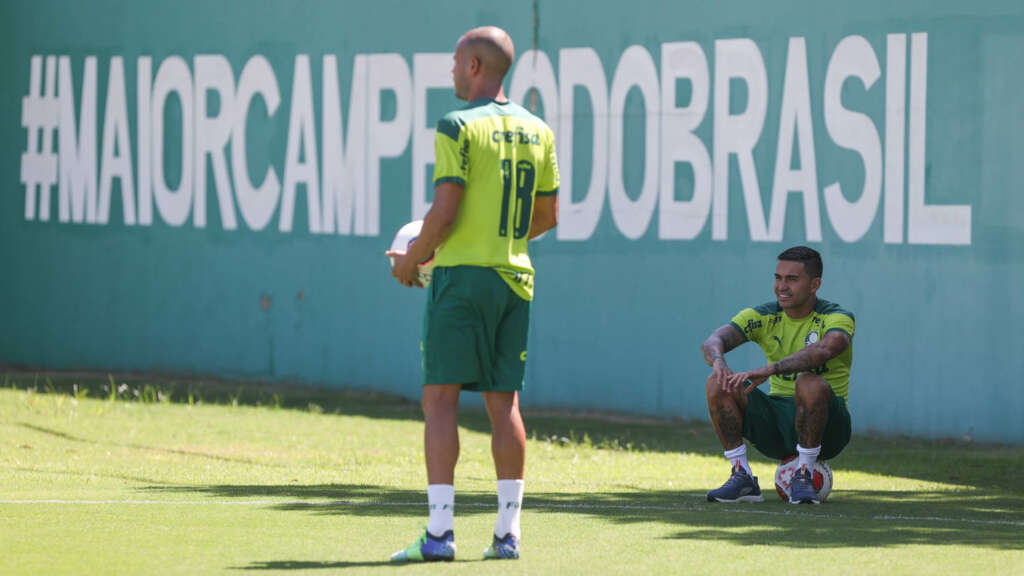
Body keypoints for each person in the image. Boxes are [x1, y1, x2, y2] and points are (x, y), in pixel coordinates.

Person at [385, 25, 559, 561]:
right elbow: (547, 217)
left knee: (439, 400)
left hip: (463, 280)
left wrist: (413, 260)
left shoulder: (456, 124)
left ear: (476, 67)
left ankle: (439, 535)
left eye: (456, 63)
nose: (453, 72)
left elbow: (445, 210)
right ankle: (507, 535)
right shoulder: (539, 130)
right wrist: (497, 238)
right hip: (516, 277)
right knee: (503, 403)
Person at [701, 246, 854, 504]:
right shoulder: (764, 316)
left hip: (829, 427)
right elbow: (713, 340)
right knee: (717, 382)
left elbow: (826, 348)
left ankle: (804, 474)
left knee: (809, 383)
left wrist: (769, 369)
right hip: (779, 426)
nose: (782, 286)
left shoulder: (837, 316)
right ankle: (742, 477)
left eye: (792, 279)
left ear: (815, 284)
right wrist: (718, 361)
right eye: (778, 278)